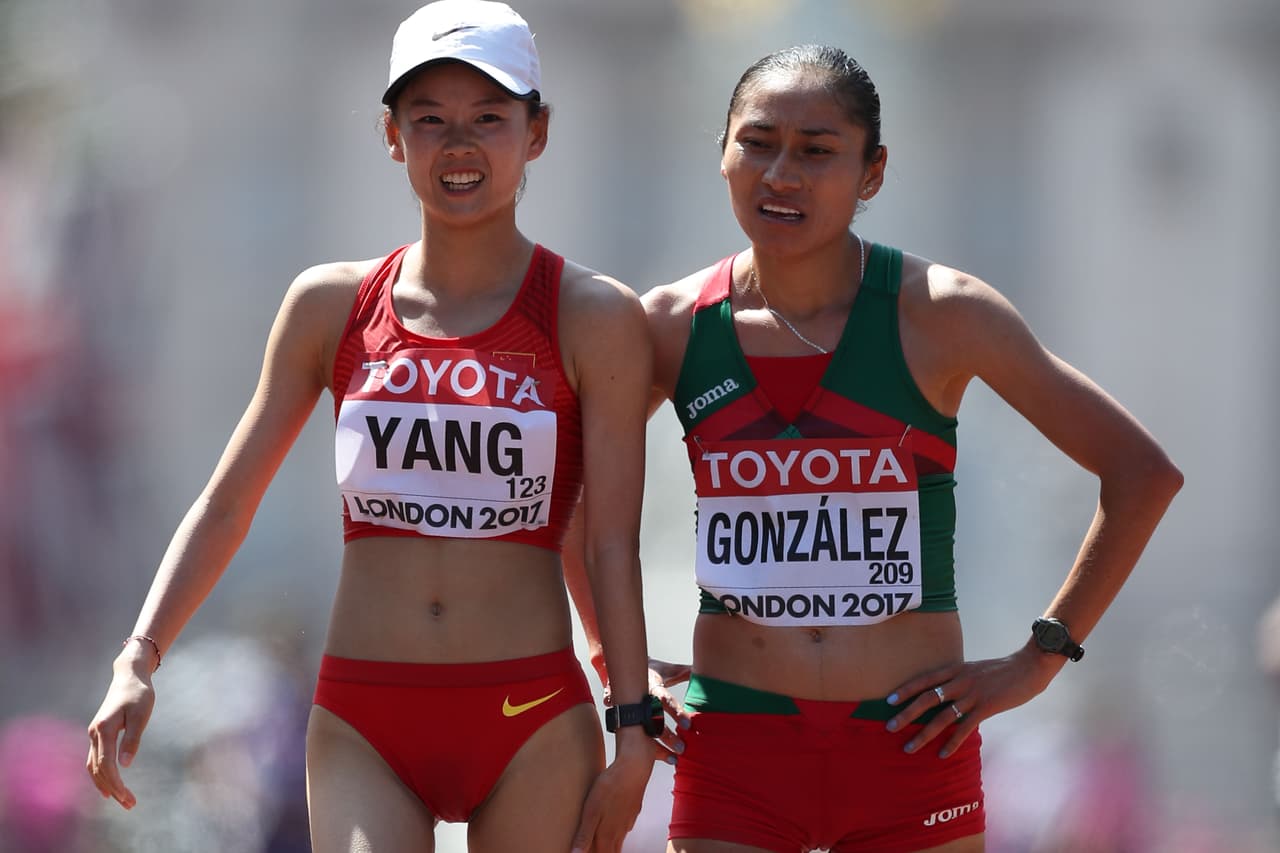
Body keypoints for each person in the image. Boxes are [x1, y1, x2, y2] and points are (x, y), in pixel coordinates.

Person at [567, 44, 1183, 853]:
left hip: (911, 745)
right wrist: (622, 666)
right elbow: (571, 498)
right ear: (721, 152)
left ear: (873, 172)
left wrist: (1039, 658)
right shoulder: (670, 325)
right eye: (757, 142)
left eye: (817, 151)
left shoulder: (945, 314)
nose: (781, 174)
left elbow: (1143, 473)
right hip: (737, 748)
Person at [84, 2, 655, 851]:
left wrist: (634, 724)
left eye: (489, 118)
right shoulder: (329, 306)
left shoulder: (593, 315)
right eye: (430, 120)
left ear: (537, 133)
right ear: (392, 136)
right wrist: (139, 657)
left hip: (530, 713)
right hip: (364, 718)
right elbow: (226, 502)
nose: (459, 145)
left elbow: (607, 541)